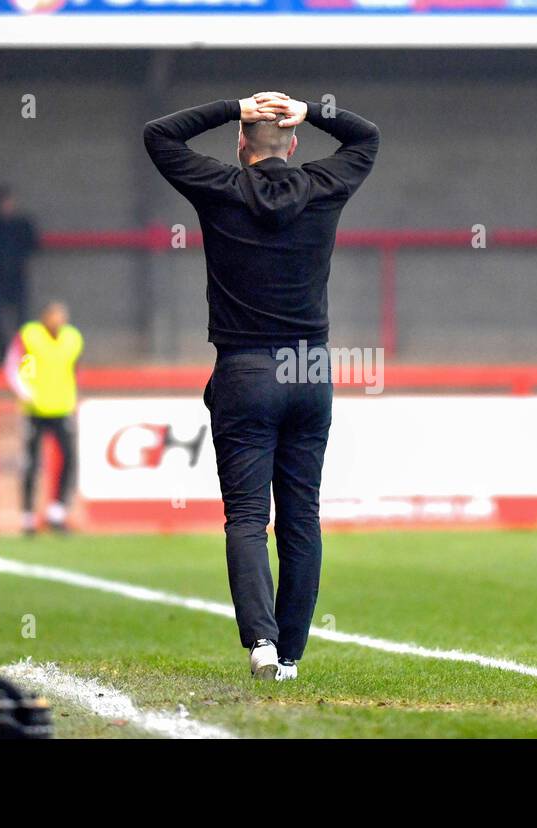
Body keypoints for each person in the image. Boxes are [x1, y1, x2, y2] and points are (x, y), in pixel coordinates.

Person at [145, 91, 379, 681]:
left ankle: (263, 646)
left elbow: (159, 135)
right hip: (309, 370)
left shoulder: (221, 187)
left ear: (241, 144)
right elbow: (366, 137)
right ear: (294, 143)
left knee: (247, 515)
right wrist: (315, 109)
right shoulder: (325, 186)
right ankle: (293, 654)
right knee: (303, 516)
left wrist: (232, 104)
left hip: (246, 368)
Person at [4, 301, 83, 535]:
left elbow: (73, 369)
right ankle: (28, 516)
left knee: (69, 459)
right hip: (35, 409)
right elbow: (17, 364)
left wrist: (73, 395)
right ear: (45, 317)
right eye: (54, 316)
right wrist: (24, 389)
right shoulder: (31, 336)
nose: (59, 320)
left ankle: (56, 512)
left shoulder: (72, 338)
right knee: (31, 462)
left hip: (62, 407)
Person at [0, 184, 39, 362]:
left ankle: (21, 355)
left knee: (22, 321)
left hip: (17, 278)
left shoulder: (22, 224)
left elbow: (34, 244)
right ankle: (3, 358)